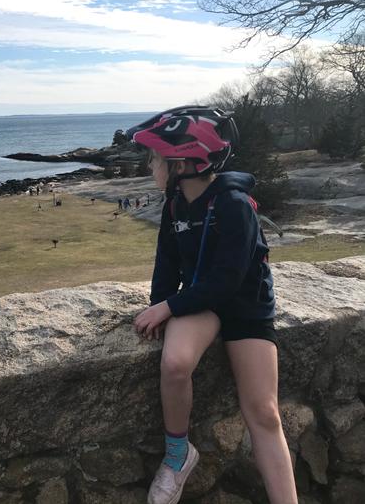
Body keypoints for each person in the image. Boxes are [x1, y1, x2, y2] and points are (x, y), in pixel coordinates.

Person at [128, 106, 297, 504]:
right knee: (174, 363)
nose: (151, 166)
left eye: (156, 159)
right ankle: (177, 456)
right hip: (202, 301)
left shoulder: (234, 205)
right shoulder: (174, 205)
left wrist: (169, 307)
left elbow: (227, 281)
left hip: (245, 304)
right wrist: (161, 305)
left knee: (264, 413)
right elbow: (166, 266)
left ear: (182, 163)